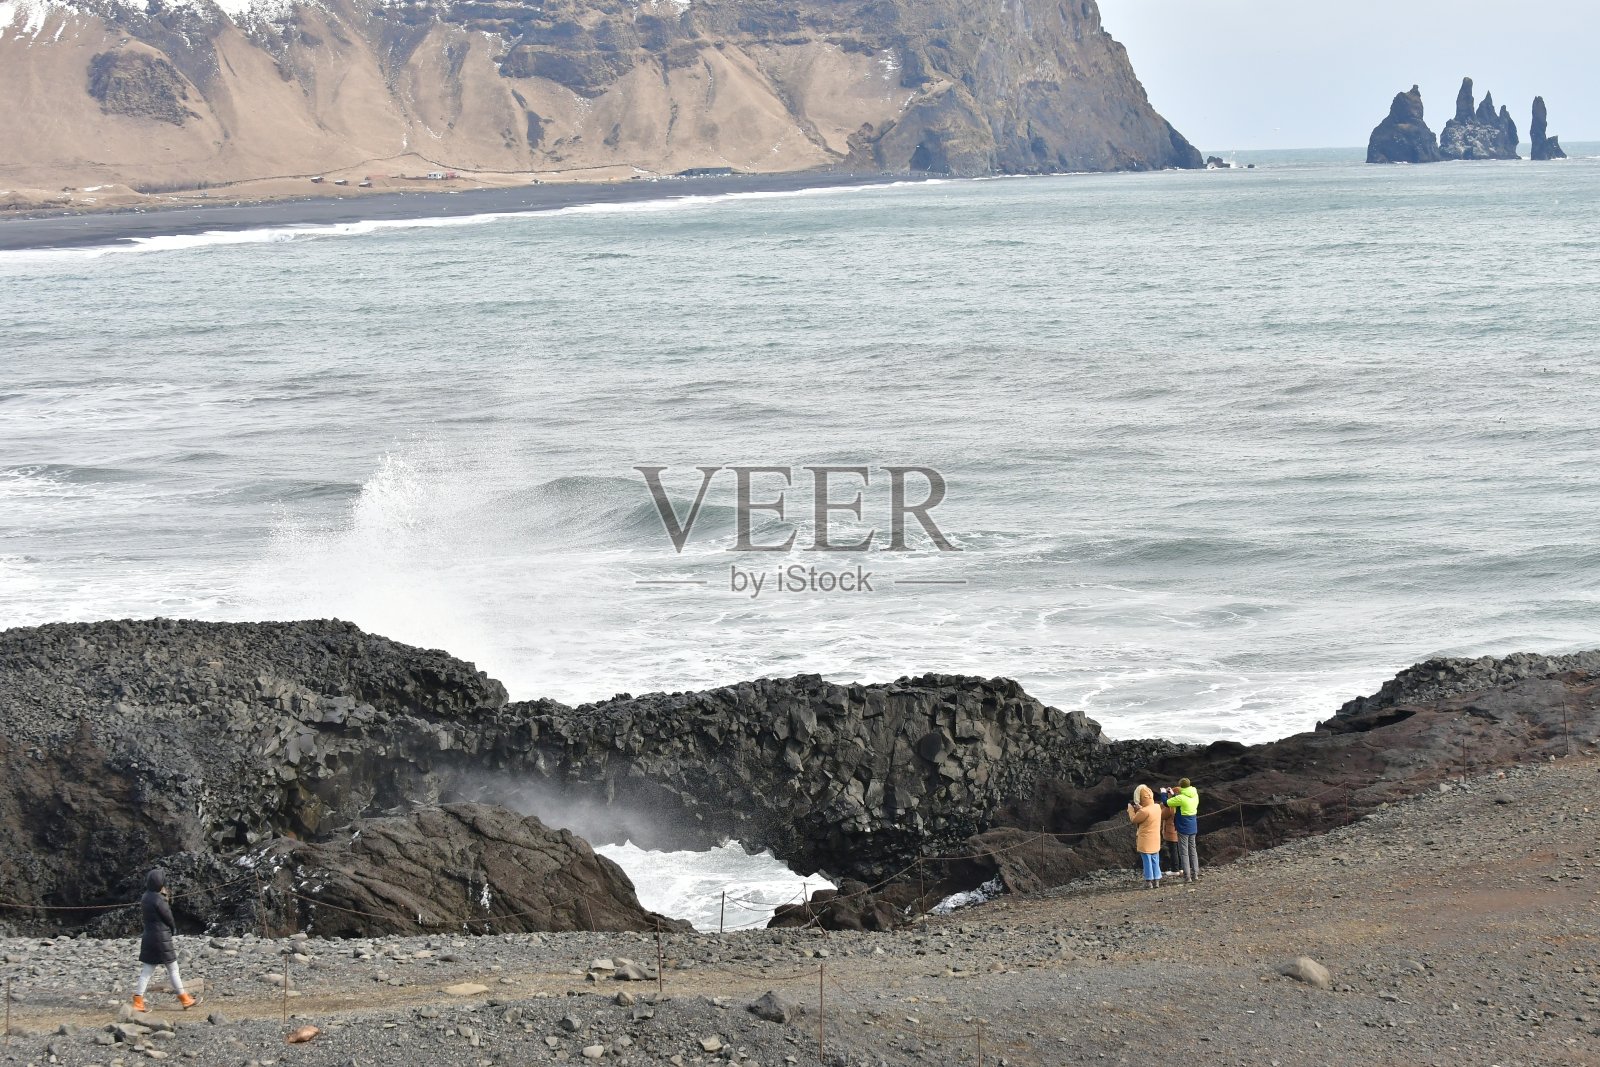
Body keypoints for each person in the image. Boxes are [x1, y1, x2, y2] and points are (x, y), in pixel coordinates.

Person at [134, 869, 197, 1013]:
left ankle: (138, 1002)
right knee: (173, 969)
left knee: (147, 971)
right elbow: (168, 917)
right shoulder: (158, 899)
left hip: (149, 936)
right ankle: (184, 999)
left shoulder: (145, 897)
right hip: (161, 938)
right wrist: (173, 928)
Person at [1165, 778, 1201, 883]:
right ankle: (1195, 874)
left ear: (1180, 786)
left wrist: (1164, 793)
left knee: (1184, 852)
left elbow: (1167, 803)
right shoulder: (1195, 795)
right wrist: (1173, 794)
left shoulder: (1181, 798)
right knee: (1193, 851)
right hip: (1193, 825)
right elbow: (1182, 799)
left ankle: (1187, 876)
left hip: (1183, 828)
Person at [1126, 784, 1162, 889]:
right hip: (1155, 838)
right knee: (1155, 858)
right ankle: (1157, 880)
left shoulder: (1144, 811)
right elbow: (1148, 811)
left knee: (1147, 860)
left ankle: (1148, 881)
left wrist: (1131, 810)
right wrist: (1141, 808)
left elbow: (1134, 819)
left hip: (1145, 840)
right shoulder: (1157, 807)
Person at [1157, 787, 1180, 875]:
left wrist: (1162, 803)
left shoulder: (1170, 805)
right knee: (1179, 850)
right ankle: (1181, 868)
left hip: (1171, 831)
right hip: (1179, 830)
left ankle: (1175, 869)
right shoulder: (1180, 802)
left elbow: (1162, 815)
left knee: (1173, 851)